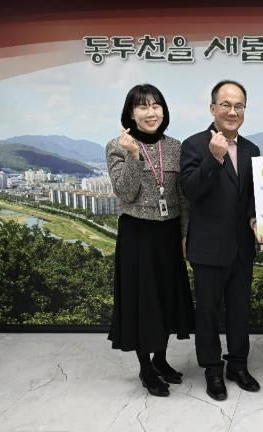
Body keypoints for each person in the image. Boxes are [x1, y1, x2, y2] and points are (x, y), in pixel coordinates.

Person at [107, 83, 193, 398]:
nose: (151, 112)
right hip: (138, 234)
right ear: (131, 113)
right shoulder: (117, 146)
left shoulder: (175, 146)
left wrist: (185, 233)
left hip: (169, 233)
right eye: (142, 106)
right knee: (143, 302)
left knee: (167, 297)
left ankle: (161, 359)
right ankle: (146, 367)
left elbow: (183, 197)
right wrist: (133, 155)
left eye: (156, 105)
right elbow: (125, 191)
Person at [180, 80, 261, 401]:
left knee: (240, 311)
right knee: (208, 314)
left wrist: (256, 219)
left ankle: (238, 365)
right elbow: (190, 190)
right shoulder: (194, 145)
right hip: (208, 248)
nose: (232, 111)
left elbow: (252, 198)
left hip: (242, 247)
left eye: (239, 105)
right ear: (212, 108)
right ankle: (213, 370)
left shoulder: (252, 149)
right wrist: (213, 159)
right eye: (225, 105)